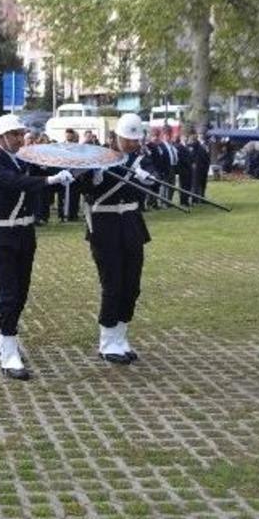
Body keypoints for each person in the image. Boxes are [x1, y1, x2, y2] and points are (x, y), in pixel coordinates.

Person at [0, 115, 73, 380]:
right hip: (1, 233)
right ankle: (9, 354)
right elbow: (13, 182)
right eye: (15, 134)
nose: (20, 139)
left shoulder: (26, 159)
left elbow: (47, 173)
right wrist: (49, 182)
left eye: (22, 134)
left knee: (21, 291)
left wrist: (74, 170)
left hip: (24, 232)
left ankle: (1, 340)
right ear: (2, 137)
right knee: (8, 292)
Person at [79, 113, 155, 364]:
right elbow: (84, 187)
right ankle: (107, 341)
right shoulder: (98, 157)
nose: (132, 145)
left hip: (131, 225)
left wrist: (148, 177)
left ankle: (121, 337)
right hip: (105, 225)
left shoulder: (142, 159)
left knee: (132, 285)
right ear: (115, 137)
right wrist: (95, 177)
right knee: (112, 284)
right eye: (127, 140)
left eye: (135, 140)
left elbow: (154, 180)